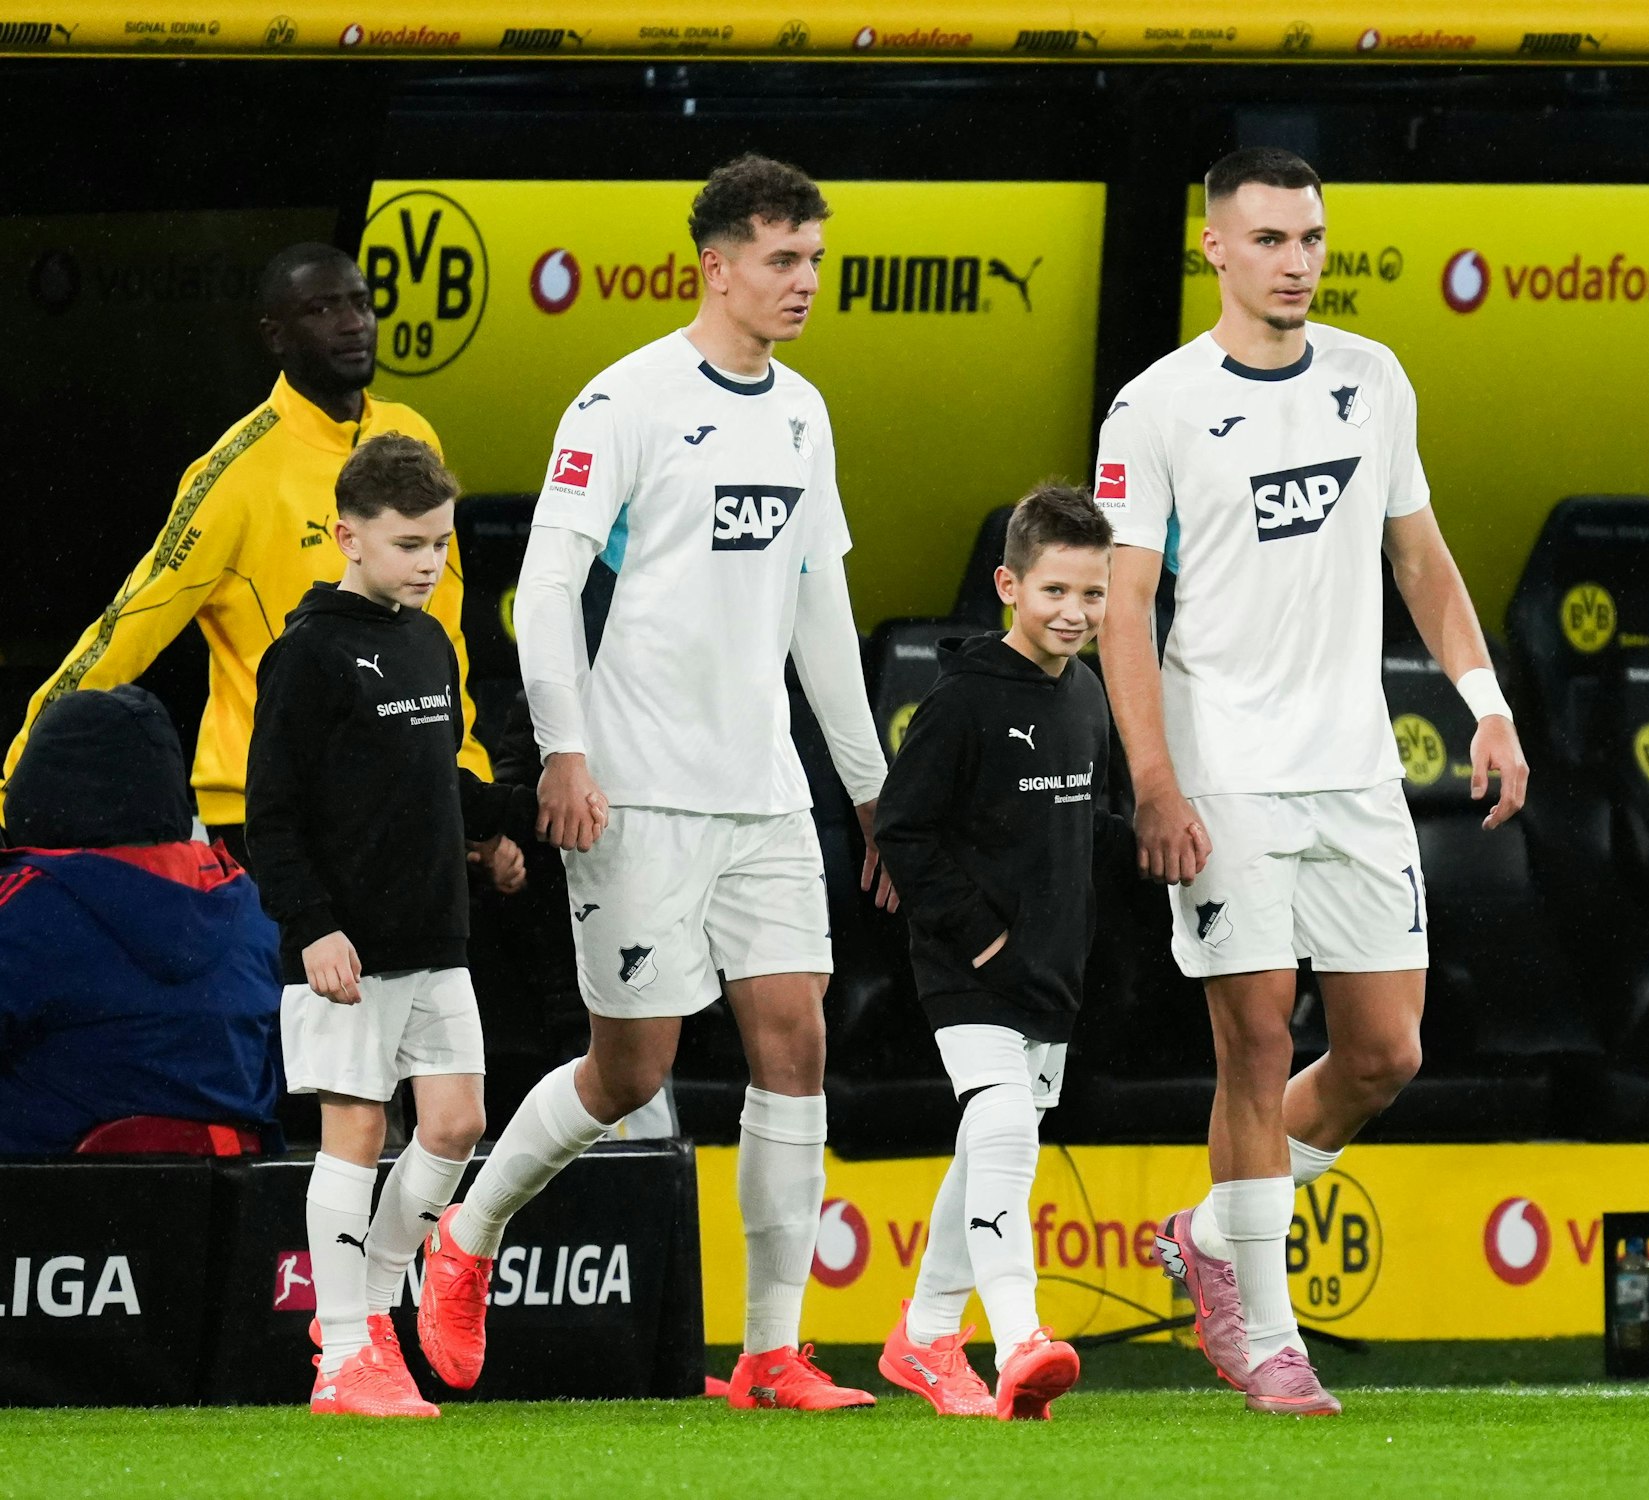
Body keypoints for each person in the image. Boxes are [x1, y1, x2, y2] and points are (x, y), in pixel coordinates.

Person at [418, 154, 893, 1412]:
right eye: (781, 260)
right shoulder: (622, 400)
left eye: (813, 260)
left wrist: (870, 791)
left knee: (793, 1046)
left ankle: (770, 1352)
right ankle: (468, 1238)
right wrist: (566, 752)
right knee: (631, 1070)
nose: (802, 284)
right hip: (636, 790)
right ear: (716, 266)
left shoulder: (805, 413)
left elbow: (822, 610)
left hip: (763, 794)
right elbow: (545, 589)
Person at [1093, 147, 1529, 1414]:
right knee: (1252, 1036)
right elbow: (1127, 607)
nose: (1296, 262)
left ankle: (1210, 1234)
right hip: (1224, 769)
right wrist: (1155, 780)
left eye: (1311, 240)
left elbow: (1421, 561)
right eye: (1271, 240)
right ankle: (1265, 1336)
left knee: (1384, 1051)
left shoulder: (1370, 379)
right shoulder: (1155, 407)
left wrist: (1486, 708)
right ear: (1215, 251)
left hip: (1352, 771)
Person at [1, 242, 502, 879]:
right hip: (269, 810)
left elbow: (443, 631)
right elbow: (125, 631)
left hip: (401, 798)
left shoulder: (410, 436)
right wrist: (12, 781)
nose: (352, 323)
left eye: (361, 303)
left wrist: (465, 777)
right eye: (322, 309)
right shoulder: (236, 476)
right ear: (276, 336)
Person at [245, 435, 535, 1418]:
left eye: (442, 544)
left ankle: (371, 1319)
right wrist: (314, 927)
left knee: (455, 1126)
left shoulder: (429, 641)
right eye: (409, 543)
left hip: (433, 934)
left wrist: (497, 826)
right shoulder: (308, 654)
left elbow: (424, 783)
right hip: (348, 948)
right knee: (357, 1133)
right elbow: (271, 812)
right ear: (347, 536)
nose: (428, 562)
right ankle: (342, 1359)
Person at [872, 484, 1131, 1421]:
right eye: (1056, 591)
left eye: (1092, 595)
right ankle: (1020, 1337)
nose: (1075, 613)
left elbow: (1079, 826)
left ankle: (927, 1335)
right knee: (1008, 1133)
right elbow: (904, 828)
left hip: (1051, 971)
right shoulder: (963, 701)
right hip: (966, 968)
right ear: (1008, 586)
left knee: (984, 1145)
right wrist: (978, 931)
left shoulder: (1089, 694)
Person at [0, 685, 280, 1155]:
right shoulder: (249, 906)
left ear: (39, 783)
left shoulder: (28, 904)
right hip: (232, 1208)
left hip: (44, 1205)